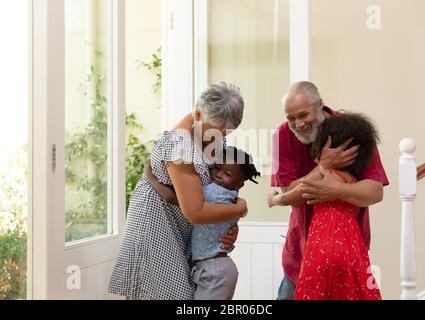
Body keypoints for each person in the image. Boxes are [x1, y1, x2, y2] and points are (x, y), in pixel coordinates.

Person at [108, 82, 248, 300]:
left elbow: (218, 188)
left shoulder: (212, 132)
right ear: (198, 113)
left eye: (225, 133)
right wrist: (240, 209)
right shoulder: (179, 145)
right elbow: (195, 211)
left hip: (184, 230)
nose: (218, 138)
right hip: (157, 226)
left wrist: (231, 226)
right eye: (216, 131)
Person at [270, 81, 389, 300]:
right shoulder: (281, 136)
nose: (298, 123)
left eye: (304, 115)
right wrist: (324, 165)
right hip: (300, 256)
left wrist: (337, 190)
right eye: (291, 118)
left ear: (320, 105)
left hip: (348, 253)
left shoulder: (352, 130)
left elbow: (375, 191)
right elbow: (291, 194)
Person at [147, 146, 261, 300]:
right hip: (214, 268)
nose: (218, 175)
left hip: (214, 270)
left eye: (227, 174)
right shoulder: (231, 197)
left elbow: (174, 198)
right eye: (217, 168)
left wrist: (150, 177)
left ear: (239, 184)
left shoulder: (215, 192)